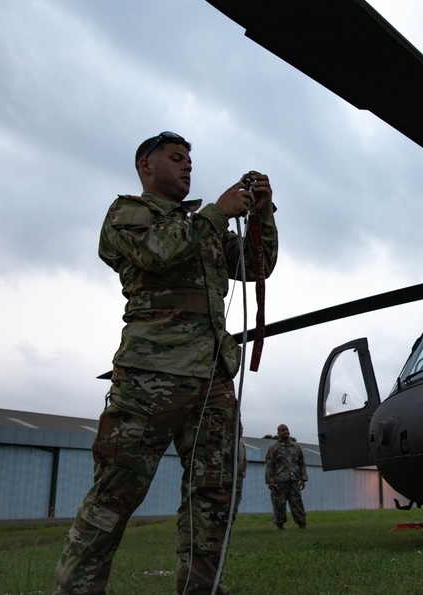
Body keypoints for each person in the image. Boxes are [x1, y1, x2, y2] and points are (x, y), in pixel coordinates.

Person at [54, 131, 278, 595]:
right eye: (175, 158)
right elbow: (158, 252)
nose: (186, 166)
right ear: (145, 166)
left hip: (212, 379)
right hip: (149, 379)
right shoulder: (129, 213)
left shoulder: (203, 225)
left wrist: (263, 214)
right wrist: (216, 212)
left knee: (215, 491)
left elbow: (257, 266)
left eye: (189, 160)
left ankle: (202, 587)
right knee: (117, 491)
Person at [264, 424, 308, 529]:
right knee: (279, 504)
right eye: (282, 430)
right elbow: (269, 465)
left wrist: (303, 479)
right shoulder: (273, 448)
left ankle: (302, 524)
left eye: (287, 429)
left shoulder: (296, 447)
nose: (285, 432)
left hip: (293, 480)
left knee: (297, 503)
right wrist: (270, 480)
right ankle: (280, 526)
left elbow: (301, 463)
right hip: (279, 481)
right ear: (278, 433)